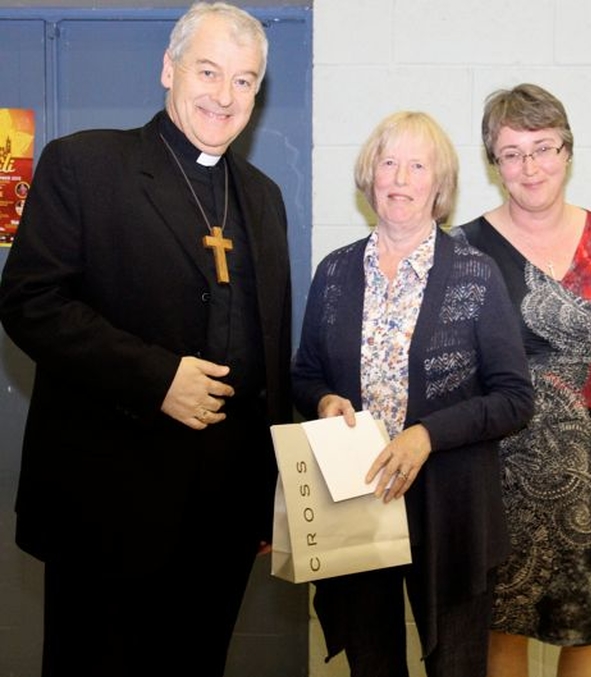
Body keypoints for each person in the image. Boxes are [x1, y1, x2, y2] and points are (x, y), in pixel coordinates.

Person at [0, 3, 293, 676]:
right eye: (209, 71)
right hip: (108, 501)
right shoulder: (85, 165)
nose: (225, 95)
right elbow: (28, 302)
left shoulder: (263, 196)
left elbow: (270, 347)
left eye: (245, 80)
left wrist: (276, 487)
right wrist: (156, 377)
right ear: (169, 68)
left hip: (223, 510)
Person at [291, 110, 535, 677]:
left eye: (417, 165)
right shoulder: (334, 272)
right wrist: (325, 401)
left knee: (456, 665)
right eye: (389, 162)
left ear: (439, 185)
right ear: (370, 175)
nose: (400, 178)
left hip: (451, 506)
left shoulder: (476, 275)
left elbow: (514, 397)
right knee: (372, 664)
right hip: (356, 503)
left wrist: (427, 434)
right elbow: (304, 373)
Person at [452, 83, 591, 677]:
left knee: (589, 633)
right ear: (494, 164)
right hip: (501, 479)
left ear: (567, 151)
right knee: (503, 631)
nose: (530, 166)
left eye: (543, 147)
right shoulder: (464, 252)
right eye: (511, 152)